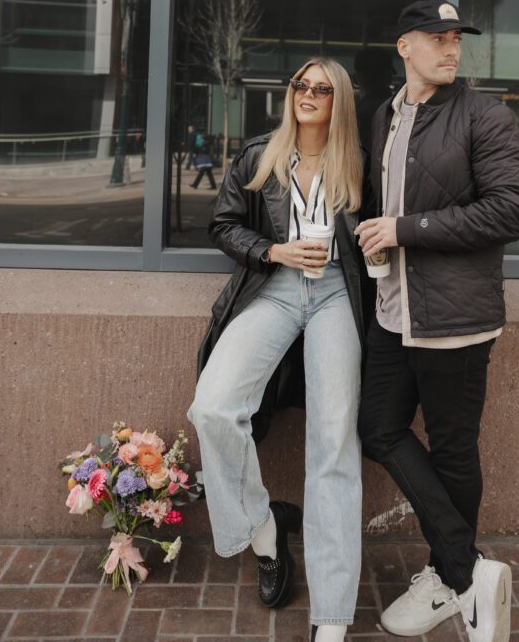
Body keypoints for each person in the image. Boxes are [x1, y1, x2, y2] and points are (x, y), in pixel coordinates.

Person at [356, 0, 519, 642]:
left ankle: (446, 574)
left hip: (456, 318)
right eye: (436, 36)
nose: (451, 47)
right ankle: (468, 570)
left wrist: (404, 229)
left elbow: (509, 211)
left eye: (456, 37)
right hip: (392, 311)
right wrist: (375, 234)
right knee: (377, 427)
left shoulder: (485, 115)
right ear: (405, 45)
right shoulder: (384, 115)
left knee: (454, 448)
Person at [187, 58, 367, 642]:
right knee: (213, 406)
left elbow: (379, 234)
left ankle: (333, 617)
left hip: (338, 291)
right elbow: (222, 225)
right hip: (275, 288)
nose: (308, 95)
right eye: (301, 85)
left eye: (321, 88)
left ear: (338, 101)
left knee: (334, 441)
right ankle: (266, 532)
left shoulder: (360, 163)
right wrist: (273, 252)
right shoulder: (260, 154)